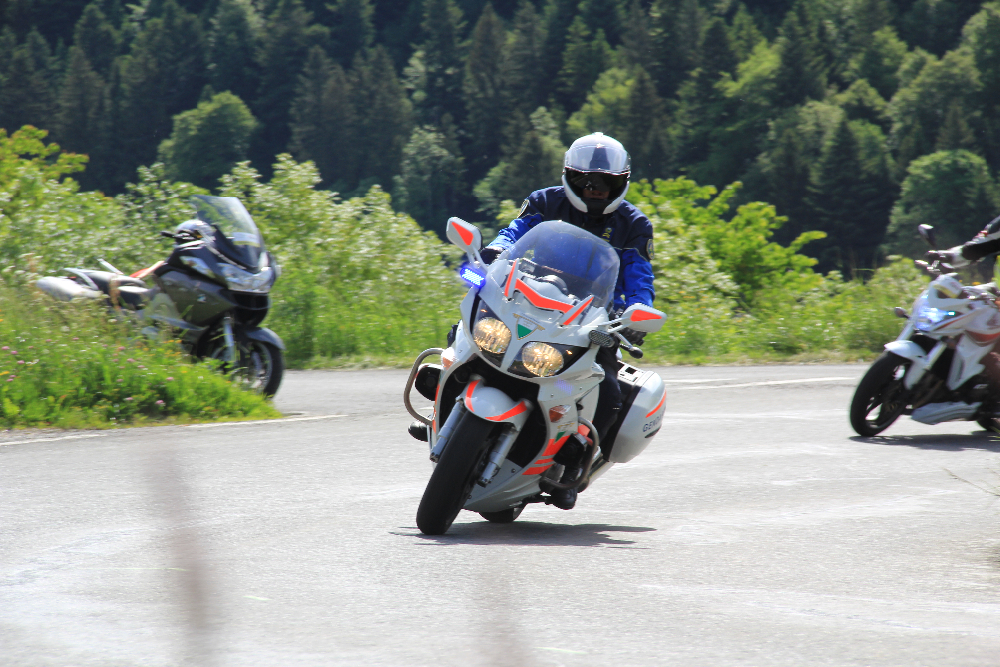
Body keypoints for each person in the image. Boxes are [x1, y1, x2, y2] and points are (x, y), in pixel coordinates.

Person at [486, 132, 655, 509]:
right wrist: (496, 250)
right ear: (570, 176)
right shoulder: (544, 201)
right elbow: (515, 232)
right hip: (530, 299)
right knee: (471, 332)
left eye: (607, 183)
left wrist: (636, 313)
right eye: (587, 181)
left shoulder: (634, 224)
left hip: (592, 322)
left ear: (622, 183)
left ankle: (570, 469)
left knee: (607, 390)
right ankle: (444, 404)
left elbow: (639, 275)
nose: (596, 190)